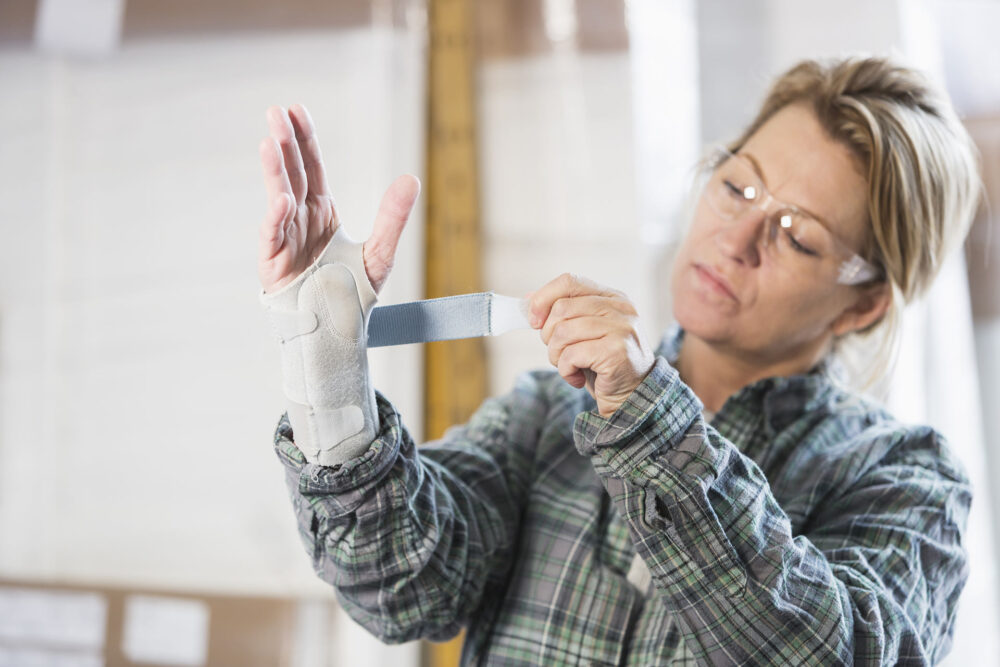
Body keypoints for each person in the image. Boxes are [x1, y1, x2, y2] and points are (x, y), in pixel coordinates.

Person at [256, 56, 981, 665]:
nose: (737, 239)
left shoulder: (905, 478)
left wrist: (648, 421)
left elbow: (825, 652)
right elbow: (404, 588)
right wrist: (328, 375)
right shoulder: (547, 414)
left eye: (797, 236)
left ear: (863, 305)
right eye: (738, 187)